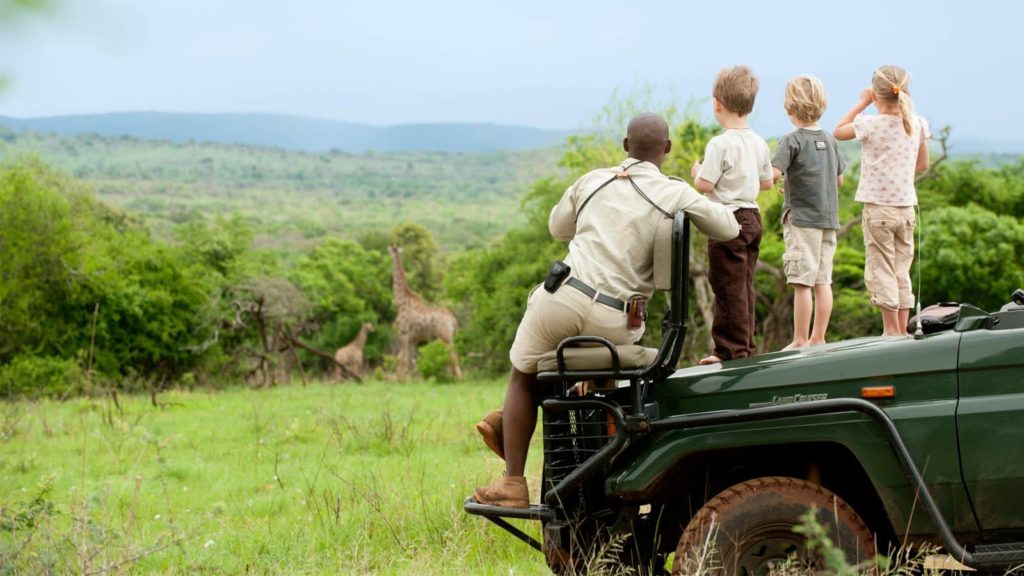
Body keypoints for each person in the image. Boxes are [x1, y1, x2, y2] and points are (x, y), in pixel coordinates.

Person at [473, 113, 740, 508]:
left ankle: (513, 480)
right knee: (558, 363)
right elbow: (729, 229)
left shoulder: (593, 180)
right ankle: (526, 424)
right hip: (619, 320)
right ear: (666, 149)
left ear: (624, 146)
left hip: (563, 297)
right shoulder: (673, 191)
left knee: (523, 374)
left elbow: (557, 228)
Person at [834, 65, 929, 336]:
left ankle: (890, 331)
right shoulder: (918, 124)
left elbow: (838, 131)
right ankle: (902, 329)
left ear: (877, 94)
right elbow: (922, 165)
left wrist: (862, 102)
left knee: (882, 268)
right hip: (906, 208)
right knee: (901, 269)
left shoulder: (870, 123)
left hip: (878, 208)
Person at [690, 66, 774, 364]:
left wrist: (697, 171)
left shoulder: (720, 143)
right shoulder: (759, 142)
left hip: (727, 221)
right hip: (753, 217)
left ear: (717, 103)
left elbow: (705, 185)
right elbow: (766, 183)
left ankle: (730, 351)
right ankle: (746, 347)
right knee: (745, 285)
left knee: (727, 286)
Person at [771, 75, 847, 349]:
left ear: (789, 108)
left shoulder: (791, 141)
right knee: (822, 280)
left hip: (802, 221)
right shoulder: (829, 139)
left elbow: (773, 174)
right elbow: (838, 180)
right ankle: (819, 337)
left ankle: (800, 339)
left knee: (802, 281)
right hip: (828, 220)